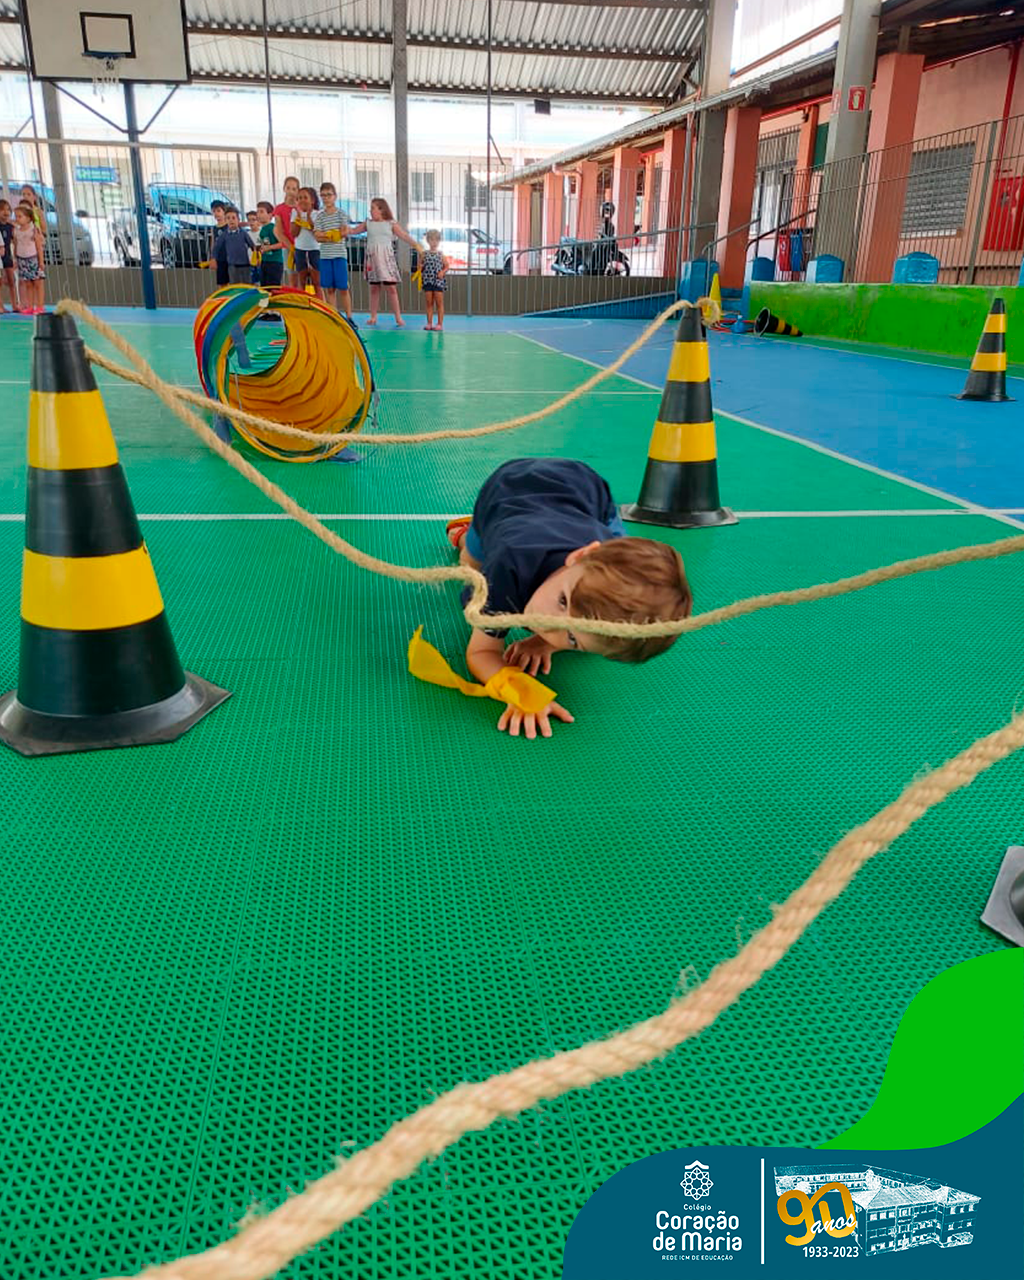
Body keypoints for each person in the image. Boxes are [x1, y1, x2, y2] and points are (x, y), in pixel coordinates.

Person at [444, 458, 693, 740]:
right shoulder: (507, 568)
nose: (548, 624)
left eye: (572, 638)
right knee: (470, 563)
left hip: (585, 505)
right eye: (562, 601)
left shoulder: (588, 578)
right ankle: (465, 534)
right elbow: (480, 653)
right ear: (581, 555)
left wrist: (543, 643)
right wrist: (521, 691)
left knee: (612, 602)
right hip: (513, 490)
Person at [349, 197, 420, 327]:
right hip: (373, 259)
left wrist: (416, 245)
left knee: (391, 288)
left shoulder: (390, 223)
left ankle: (398, 317)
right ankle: (373, 316)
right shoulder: (368, 223)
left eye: (373, 208)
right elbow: (353, 231)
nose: (371, 211)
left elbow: (403, 235)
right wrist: (342, 230)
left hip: (386, 259)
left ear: (381, 210)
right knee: (374, 288)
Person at [314, 181, 352, 318]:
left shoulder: (341, 214)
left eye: (329, 195)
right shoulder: (320, 216)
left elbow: (344, 232)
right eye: (323, 195)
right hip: (325, 256)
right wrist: (331, 235)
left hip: (339, 256)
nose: (326, 198)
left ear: (335, 196)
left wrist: (326, 235)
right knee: (329, 289)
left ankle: (349, 317)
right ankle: (334, 316)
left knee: (343, 288)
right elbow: (317, 236)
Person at [13, 202, 45, 314]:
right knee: (27, 283)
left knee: (37, 283)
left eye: (20, 216)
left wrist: (41, 261)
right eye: (16, 216)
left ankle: (40, 306)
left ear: (28, 218)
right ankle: (30, 306)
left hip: (33, 259)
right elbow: (16, 245)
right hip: (22, 259)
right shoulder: (16, 231)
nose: (17, 219)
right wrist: (15, 259)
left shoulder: (33, 230)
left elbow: (39, 246)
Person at [213, 206, 254, 285]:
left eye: (233, 218)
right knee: (234, 285)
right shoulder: (224, 235)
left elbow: (251, 245)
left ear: (238, 220)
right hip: (232, 265)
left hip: (245, 264)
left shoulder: (243, 233)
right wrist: (214, 258)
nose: (231, 220)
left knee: (247, 284)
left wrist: (257, 256)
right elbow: (217, 247)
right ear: (226, 220)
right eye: (228, 218)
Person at [291, 187, 321, 296]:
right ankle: (302, 302)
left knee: (317, 281)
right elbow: (294, 233)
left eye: (305, 197)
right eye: (299, 198)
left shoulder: (317, 214)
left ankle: (319, 303)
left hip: (314, 250)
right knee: (301, 280)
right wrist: (299, 218)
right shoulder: (295, 212)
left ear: (312, 200)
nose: (302, 200)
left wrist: (308, 218)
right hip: (300, 250)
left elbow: (316, 232)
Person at [272, 176, 300, 284]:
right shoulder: (279, 209)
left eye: (294, 189)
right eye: (288, 188)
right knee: (292, 279)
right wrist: (291, 247)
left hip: (302, 246)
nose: (291, 192)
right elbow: (279, 232)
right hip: (289, 247)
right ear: (284, 189)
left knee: (305, 278)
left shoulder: (300, 208)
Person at [419, 228, 448, 331]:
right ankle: (429, 323)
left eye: (436, 240)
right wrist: (420, 267)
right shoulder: (424, 254)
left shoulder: (441, 254)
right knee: (429, 302)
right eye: (432, 240)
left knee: (439, 303)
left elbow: (447, 266)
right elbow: (420, 265)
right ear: (428, 241)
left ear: (439, 241)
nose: (434, 242)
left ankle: (439, 323)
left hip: (438, 281)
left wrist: (442, 272)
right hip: (428, 280)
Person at [256, 200, 283, 287]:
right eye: (257, 212)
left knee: (273, 288)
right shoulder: (262, 229)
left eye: (261, 212)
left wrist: (270, 247)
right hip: (264, 261)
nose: (258, 215)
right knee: (264, 287)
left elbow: (282, 243)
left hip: (274, 262)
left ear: (270, 215)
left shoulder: (273, 228)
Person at [0, 200, 19, 313]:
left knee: (12, 281)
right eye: (2, 209)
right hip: (0, 257)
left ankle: (14, 305)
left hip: (7, 256)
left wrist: (15, 257)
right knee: (0, 282)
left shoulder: (10, 227)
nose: (5, 212)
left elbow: (15, 241)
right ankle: (1, 306)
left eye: (8, 209)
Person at [209, 200, 229, 286]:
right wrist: (213, 258)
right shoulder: (214, 228)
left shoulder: (229, 226)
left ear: (224, 211)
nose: (216, 214)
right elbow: (213, 244)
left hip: (230, 258)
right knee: (222, 282)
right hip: (220, 259)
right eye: (214, 211)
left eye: (218, 211)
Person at [245, 209, 261, 283]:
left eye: (253, 220)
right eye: (249, 220)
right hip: (250, 263)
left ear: (258, 221)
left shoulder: (262, 233)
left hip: (260, 263)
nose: (251, 222)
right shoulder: (246, 234)